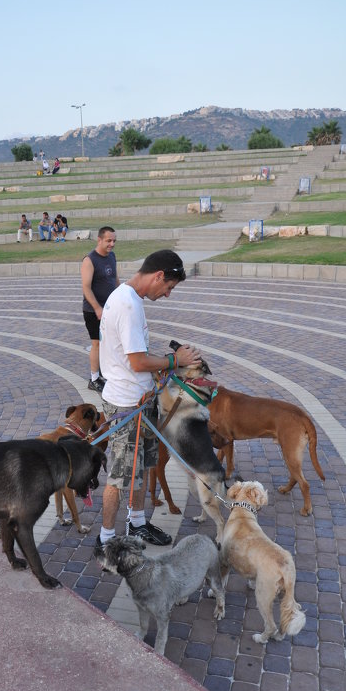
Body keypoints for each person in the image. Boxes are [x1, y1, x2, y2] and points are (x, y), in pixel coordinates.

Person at [97, 249, 202, 548]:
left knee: (141, 468)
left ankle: (137, 524)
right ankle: (105, 541)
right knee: (120, 478)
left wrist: (155, 376)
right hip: (126, 404)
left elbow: (133, 359)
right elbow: (138, 361)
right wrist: (174, 360)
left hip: (139, 399)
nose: (168, 295)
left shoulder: (128, 298)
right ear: (158, 276)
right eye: (168, 288)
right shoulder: (128, 305)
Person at [81, 226, 119, 393]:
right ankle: (94, 378)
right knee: (96, 343)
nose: (112, 244)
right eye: (108, 241)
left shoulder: (112, 257)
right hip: (93, 310)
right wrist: (97, 308)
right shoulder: (89, 260)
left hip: (110, 309)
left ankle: (106, 373)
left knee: (109, 343)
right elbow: (86, 287)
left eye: (114, 241)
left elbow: (115, 279)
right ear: (99, 240)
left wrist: (123, 296)